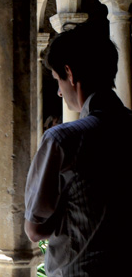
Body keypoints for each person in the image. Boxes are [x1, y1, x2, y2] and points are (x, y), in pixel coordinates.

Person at [24, 21, 131, 277]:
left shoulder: (63, 140)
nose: (60, 92)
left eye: (57, 80)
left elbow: (35, 230)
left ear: (70, 74)